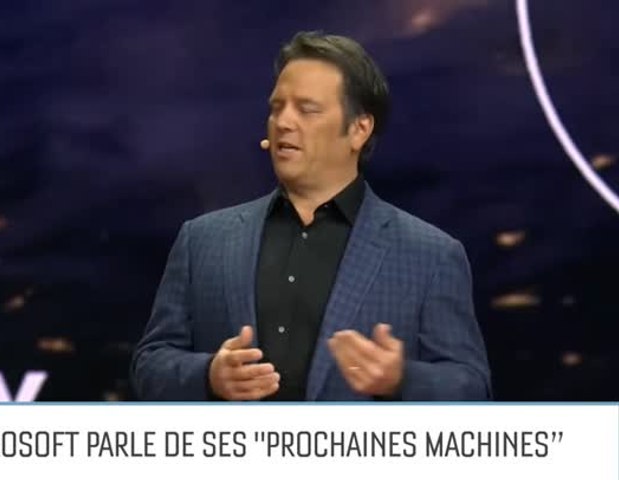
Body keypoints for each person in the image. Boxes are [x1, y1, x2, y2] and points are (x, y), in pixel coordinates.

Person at [131, 31, 491, 401]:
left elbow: (472, 389)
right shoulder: (203, 240)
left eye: (307, 109)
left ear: (359, 130)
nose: (283, 121)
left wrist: (401, 379)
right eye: (276, 108)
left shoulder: (430, 255)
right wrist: (209, 376)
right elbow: (150, 364)